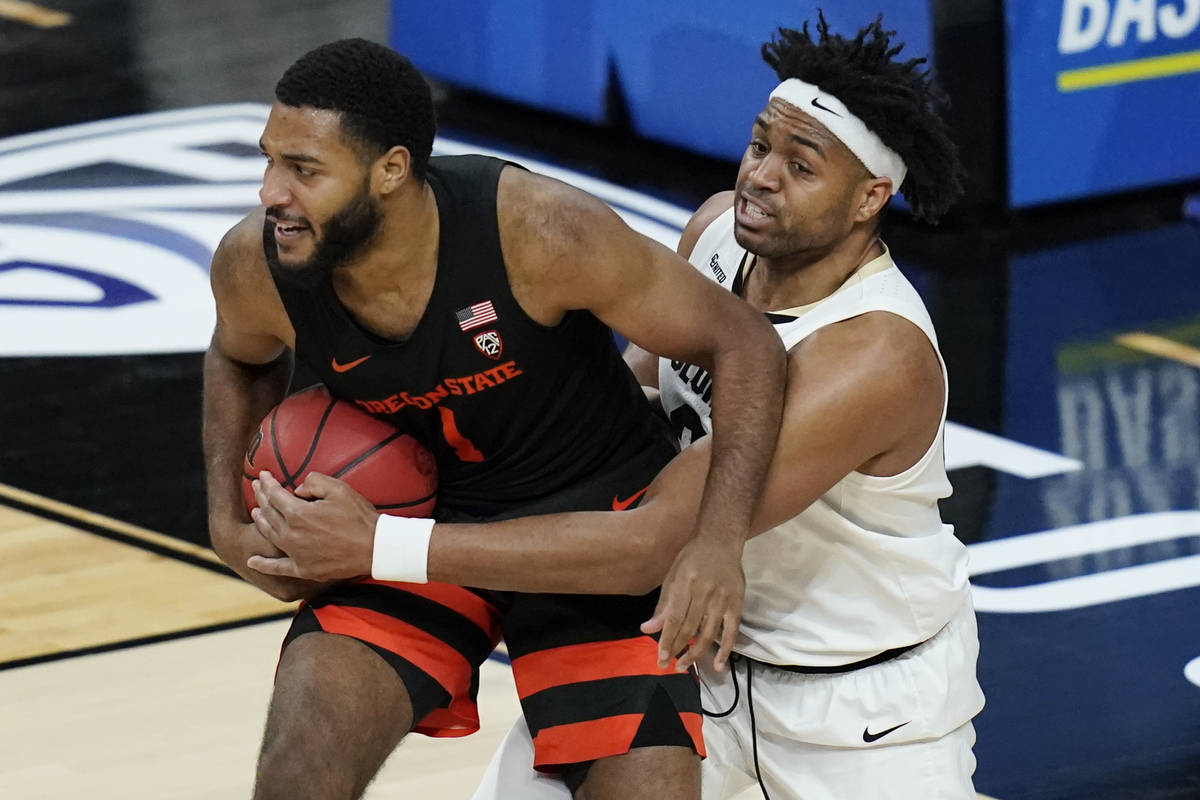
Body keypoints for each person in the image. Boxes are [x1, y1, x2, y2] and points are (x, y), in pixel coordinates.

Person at [249, 15, 985, 800]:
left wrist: (381, 545)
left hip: (856, 709)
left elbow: (653, 536)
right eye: (760, 144)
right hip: (689, 649)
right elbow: (630, 390)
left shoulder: (874, 356)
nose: (761, 176)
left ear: (872, 197)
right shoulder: (716, 236)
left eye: (800, 167)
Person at [204, 38, 786, 800]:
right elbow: (239, 356)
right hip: (400, 519)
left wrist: (716, 540)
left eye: (304, 169)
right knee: (297, 774)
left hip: (583, 534)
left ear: (391, 169)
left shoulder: (540, 232)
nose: (270, 191)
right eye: (270, 159)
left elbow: (745, 343)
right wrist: (225, 524)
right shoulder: (260, 265)